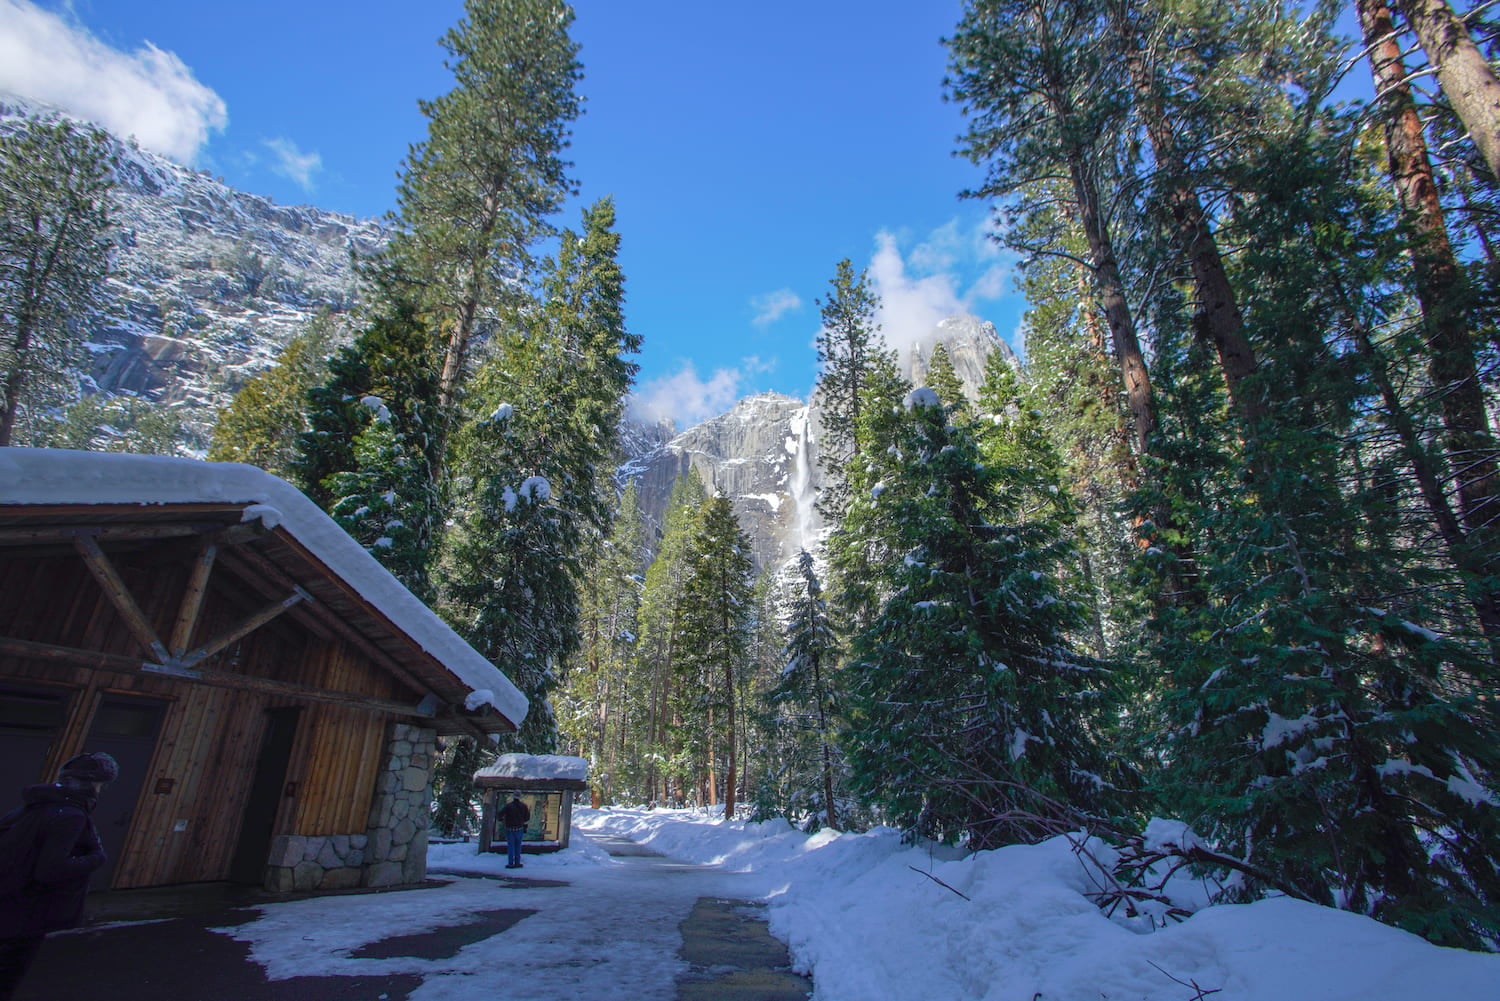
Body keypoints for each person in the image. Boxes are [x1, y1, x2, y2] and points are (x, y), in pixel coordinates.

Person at [0, 751, 118, 1000]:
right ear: (89, 785)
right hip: (28, 913)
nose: (100, 791)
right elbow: (50, 869)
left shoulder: (28, 810)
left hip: (9, 904)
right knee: (8, 975)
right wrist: (97, 857)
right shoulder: (71, 817)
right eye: (100, 785)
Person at [499, 793, 530, 869]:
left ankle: (510, 863)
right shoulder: (524, 806)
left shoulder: (508, 806)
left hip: (509, 829)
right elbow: (527, 817)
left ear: (513, 797)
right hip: (519, 828)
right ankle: (517, 862)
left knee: (511, 846)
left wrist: (502, 819)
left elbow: (500, 814)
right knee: (518, 846)